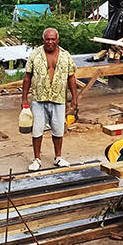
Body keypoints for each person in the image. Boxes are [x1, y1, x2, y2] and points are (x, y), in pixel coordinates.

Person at [21, 27, 77, 171]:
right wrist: (24, 99)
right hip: (39, 99)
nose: (50, 42)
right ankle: (36, 159)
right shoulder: (35, 55)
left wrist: (74, 98)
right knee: (37, 130)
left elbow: (71, 77)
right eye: (48, 39)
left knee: (58, 130)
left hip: (58, 99)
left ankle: (58, 157)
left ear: (57, 40)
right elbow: (27, 77)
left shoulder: (65, 56)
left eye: (53, 39)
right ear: (43, 40)